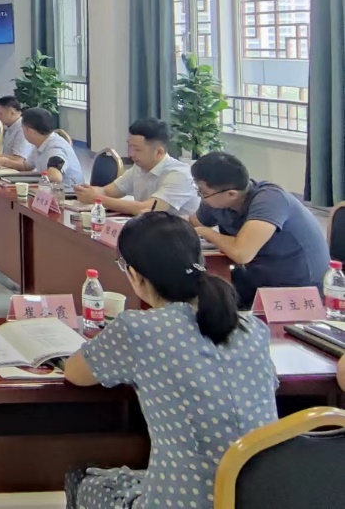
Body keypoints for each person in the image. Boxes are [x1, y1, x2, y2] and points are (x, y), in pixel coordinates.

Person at [62, 211, 277, 509]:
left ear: (135, 275)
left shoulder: (138, 329)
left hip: (182, 502)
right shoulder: (251, 328)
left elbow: (75, 372)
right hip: (265, 497)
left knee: (81, 477)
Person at [190, 151, 330, 308]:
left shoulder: (270, 200)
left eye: (203, 193)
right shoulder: (217, 200)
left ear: (231, 194)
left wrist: (207, 233)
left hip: (298, 293)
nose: (201, 197)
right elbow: (195, 222)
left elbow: (242, 253)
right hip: (258, 281)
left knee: (213, 304)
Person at [75, 119, 198, 217]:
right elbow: (108, 191)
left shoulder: (178, 174)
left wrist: (98, 199)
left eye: (137, 149)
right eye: (129, 147)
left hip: (178, 236)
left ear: (159, 152)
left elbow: (147, 208)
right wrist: (88, 191)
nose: (130, 154)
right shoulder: (138, 167)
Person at [0, 107, 83, 186]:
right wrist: (4, 161)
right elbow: (26, 166)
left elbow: (55, 177)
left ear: (30, 131)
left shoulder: (55, 148)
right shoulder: (41, 143)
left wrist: (22, 179)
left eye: (22, 128)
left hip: (68, 195)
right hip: (50, 190)